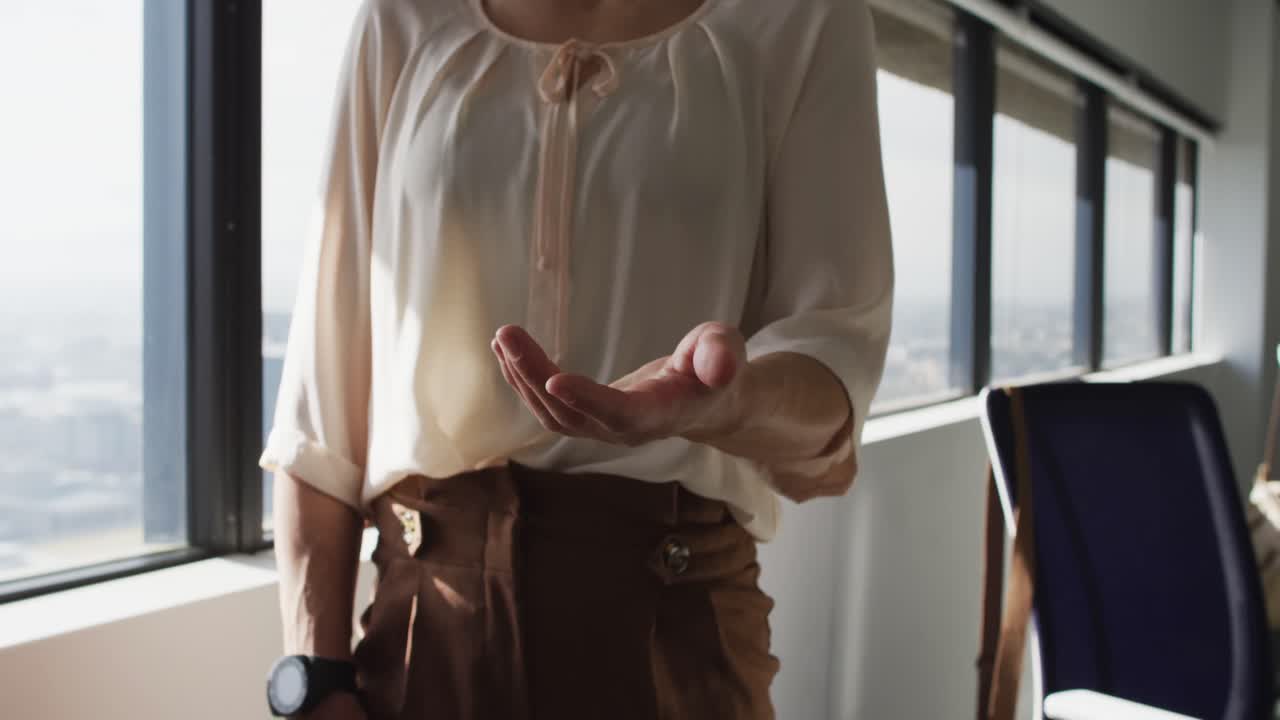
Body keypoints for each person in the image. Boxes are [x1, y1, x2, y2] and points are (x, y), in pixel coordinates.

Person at [259, 0, 893, 717]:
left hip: (674, 637)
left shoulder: (803, 16)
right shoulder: (403, 15)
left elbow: (832, 376)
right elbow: (320, 406)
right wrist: (314, 684)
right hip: (421, 642)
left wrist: (724, 402)